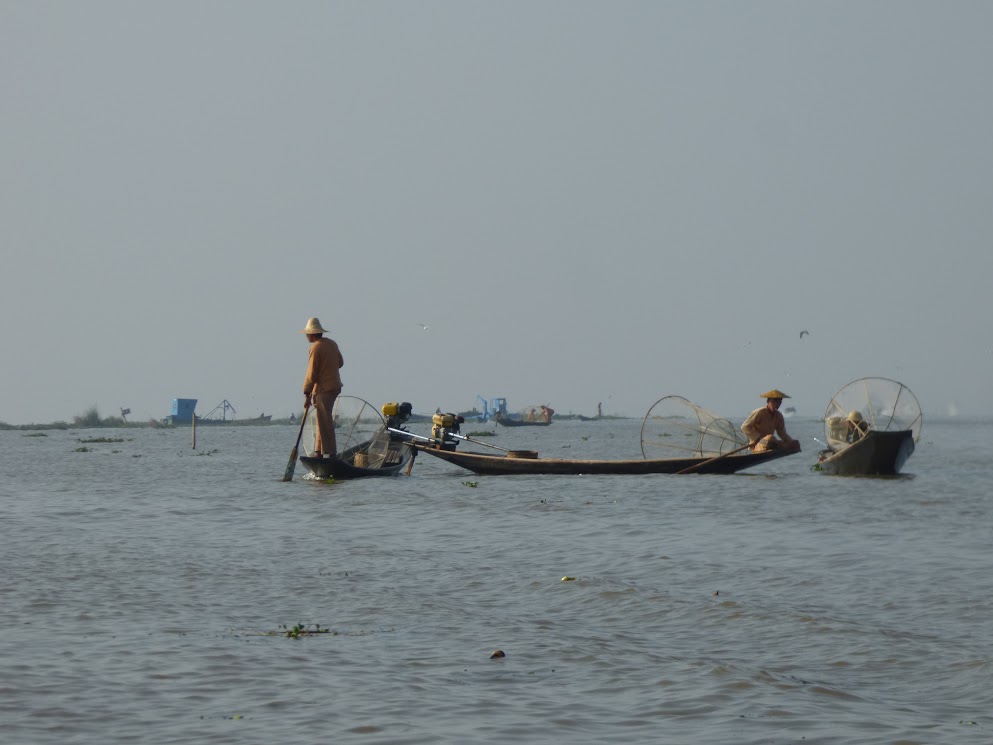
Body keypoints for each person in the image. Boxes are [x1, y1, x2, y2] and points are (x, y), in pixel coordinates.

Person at [300, 317, 344, 458]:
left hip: (325, 389)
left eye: (307, 333)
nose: (306, 336)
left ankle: (331, 454)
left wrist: (306, 393)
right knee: (322, 419)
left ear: (312, 334)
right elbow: (340, 363)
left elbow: (311, 373)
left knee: (325, 421)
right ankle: (318, 452)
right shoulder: (332, 344)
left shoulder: (316, 347)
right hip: (333, 387)